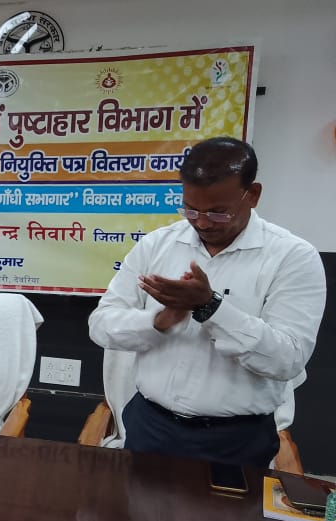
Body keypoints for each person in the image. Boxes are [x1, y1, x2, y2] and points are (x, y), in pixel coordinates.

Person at [88, 136, 326, 467]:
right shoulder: (157, 245)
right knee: (138, 503)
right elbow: (100, 326)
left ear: (252, 195)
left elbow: (288, 359)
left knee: (227, 506)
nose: (201, 222)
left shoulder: (292, 257)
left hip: (235, 441)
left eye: (218, 213)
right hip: (150, 426)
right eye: (191, 209)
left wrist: (211, 308)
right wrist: (159, 321)